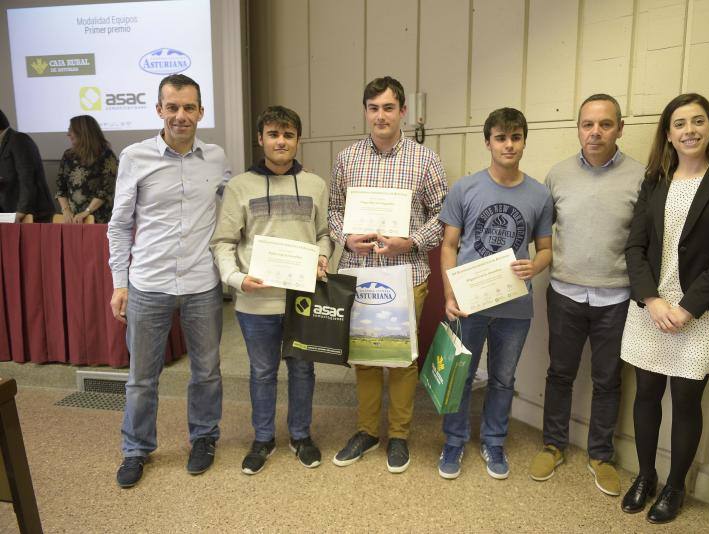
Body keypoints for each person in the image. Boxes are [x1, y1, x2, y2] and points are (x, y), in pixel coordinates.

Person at [619, 93, 709, 524]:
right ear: (669, 134)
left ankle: (676, 486)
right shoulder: (655, 179)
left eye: (698, 121)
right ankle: (645, 475)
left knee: (686, 399)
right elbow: (635, 246)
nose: (689, 130)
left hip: (702, 312)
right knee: (645, 395)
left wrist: (687, 308)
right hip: (650, 307)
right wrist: (652, 299)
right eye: (679, 124)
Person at [108, 74, 231, 488]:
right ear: (159, 109)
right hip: (148, 285)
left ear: (201, 111)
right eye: (172, 107)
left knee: (208, 371)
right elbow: (119, 225)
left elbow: (233, 214)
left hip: (201, 285)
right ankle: (136, 449)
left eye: (189, 108)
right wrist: (119, 282)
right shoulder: (134, 157)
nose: (181, 116)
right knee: (142, 378)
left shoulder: (216, 158)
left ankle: (204, 438)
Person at [328, 76, 448, 473]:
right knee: (362, 358)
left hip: (405, 273)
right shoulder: (347, 159)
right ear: (365, 111)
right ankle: (366, 431)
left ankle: (398, 435)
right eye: (373, 108)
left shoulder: (425, 160)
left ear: (403, 112)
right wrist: (346, 239)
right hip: (358, 273)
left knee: (400, 360)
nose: (381, 116)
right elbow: (333, 212)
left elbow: (442, 217)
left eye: (388, 108)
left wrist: (410, 242)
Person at [529, 94, 645, 496]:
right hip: (564, 293)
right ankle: (553, 444)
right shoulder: (557, 175)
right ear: (578, 128)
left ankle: (600, 455)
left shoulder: (641, 177)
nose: (595, 132)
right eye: (587, 124)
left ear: (619, 128)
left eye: (605, 124)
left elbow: (645, 241)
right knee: (559, 373)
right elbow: (542, 235)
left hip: (617, 298)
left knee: (609, 379)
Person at [210, 106, 331, 475]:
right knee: (262, 372)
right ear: (261, 139)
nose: (281, 141)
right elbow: (223, 242)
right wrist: (235, 279)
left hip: (303, 300)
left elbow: (325, 234)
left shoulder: (315, 185)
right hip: (256, 301)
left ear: (297, 140)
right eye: (274, 134)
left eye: (288, 134)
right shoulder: (239, 187)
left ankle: (300, 436)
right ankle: (263, 438)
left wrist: (322, 258)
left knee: (303, 372)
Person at [438, 108, 553, 480]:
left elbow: (546, 249)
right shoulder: (465, 188)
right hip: (470, 302)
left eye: (516, 137)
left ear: (523, 141)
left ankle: (493, 440)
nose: (509, 144)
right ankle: (453, 442)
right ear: (488, 142)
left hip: (514, 306)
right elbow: (449, 245)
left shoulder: (539, 194)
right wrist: (449, 295)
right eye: (501, 137)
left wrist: (535, 266)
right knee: (461, 375)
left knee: (504, 379)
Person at [56, 115, 117, 223]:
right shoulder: (68, 155)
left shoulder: (106, 155)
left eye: (71, 130)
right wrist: (66, 210)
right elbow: (61, 188)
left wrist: (87, 212)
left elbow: (106, 190)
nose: (68, 134)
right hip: (71, 219)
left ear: (82, 132)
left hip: (98, 219)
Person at [0, 109, 55, 222]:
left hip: (30, 213)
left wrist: (22, 211)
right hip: (8, 211)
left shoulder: (18, 139)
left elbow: (27, 178)